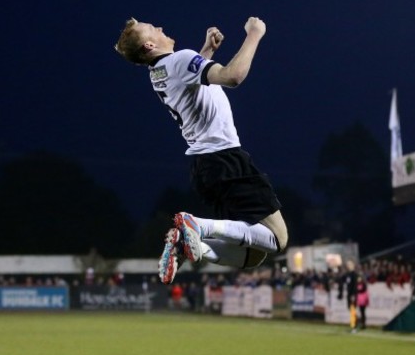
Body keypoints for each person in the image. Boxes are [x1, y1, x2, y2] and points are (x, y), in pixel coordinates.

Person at [115, 17, 289, 284]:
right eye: (153, 29)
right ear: (150, 45)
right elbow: (233, 76)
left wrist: (206, 52)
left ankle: (192, 245)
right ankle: (197, 225)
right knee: (278, 238)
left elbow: (190, 82)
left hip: (205, 167)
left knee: (252, 256)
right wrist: (255, 34)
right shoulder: (179, 60)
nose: (161, 27)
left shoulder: (158, 71)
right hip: (224, 159)